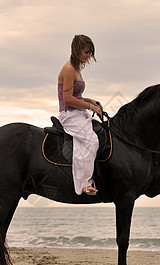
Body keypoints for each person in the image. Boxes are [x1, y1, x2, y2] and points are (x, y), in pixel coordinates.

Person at [57, 34, 103, 196]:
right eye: (86, 52)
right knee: (91, 140)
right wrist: (90, 106)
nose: (88, 56)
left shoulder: (76, 69)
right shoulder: (69, 69)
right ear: (77, 50)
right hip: (69, 114)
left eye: (90, 52)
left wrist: (91, 101)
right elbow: (68, 99)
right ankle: (84, 184)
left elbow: (76, 96)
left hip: (78, 112)